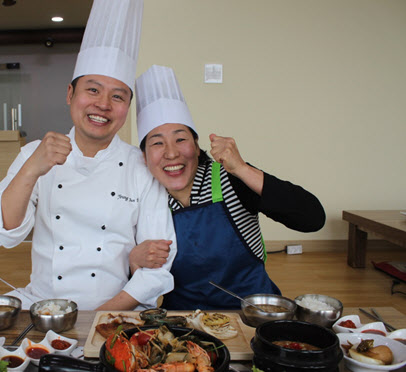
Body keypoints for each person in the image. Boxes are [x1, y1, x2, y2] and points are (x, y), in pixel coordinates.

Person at [0, 1, 176, 311]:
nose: (103, 104)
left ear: (127, 108)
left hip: (116, 309)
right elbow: (1, 234)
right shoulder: (34, 153)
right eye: (93, 90)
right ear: (71, 94)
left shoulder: (142, 166)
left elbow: (157, 262)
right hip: (45, 306)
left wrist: (99, 319)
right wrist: (32, 170)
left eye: (118, 96)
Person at [130, 65, 325, 310]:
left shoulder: (229, 178)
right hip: (183, 321)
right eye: (157, 143)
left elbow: (312, 218)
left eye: (181, 139)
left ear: (196, 144)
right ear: (144, 156)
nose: (171, 153)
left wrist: (242, 168)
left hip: (252, 315)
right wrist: (134, 259)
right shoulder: (146, 197)